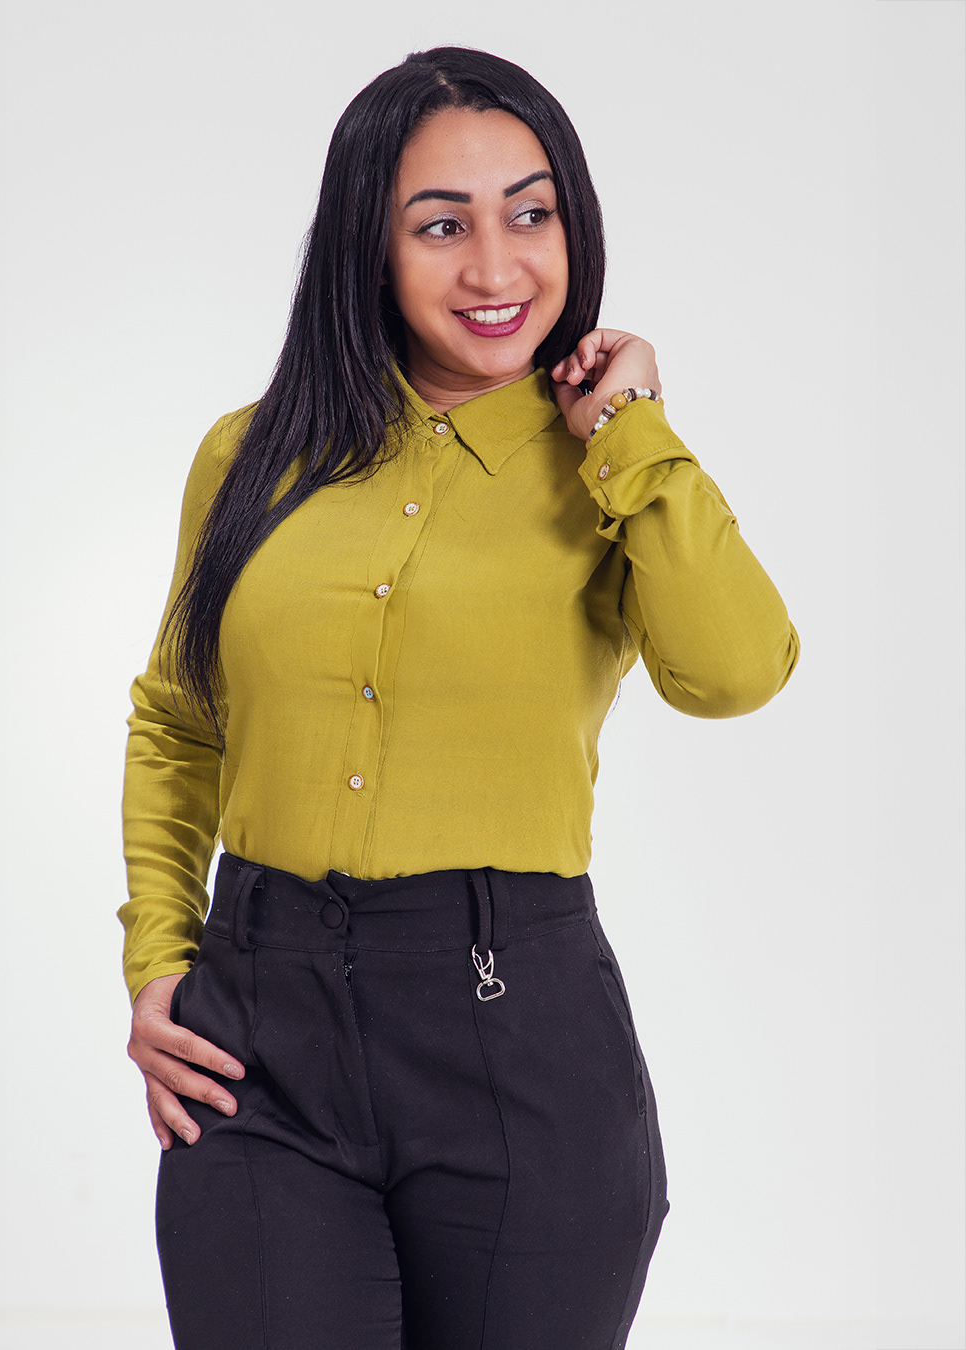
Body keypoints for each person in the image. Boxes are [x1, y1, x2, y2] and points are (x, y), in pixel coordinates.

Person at [120, 45, 800, 1350]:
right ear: (367, 247)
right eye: (442, 226)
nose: (496, 268)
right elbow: (178, 720)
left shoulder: (614, 469)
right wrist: (160, 959)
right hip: (260, 1032)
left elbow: (736, 673)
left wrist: (635, 434)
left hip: (518, 1038)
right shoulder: (250, 455)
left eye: (529, 214)